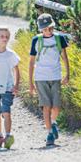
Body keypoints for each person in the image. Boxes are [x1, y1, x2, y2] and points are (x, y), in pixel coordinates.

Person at [28, 13, 70, 146]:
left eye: (50, 28)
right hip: (41, 77)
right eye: (45, 29)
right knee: (46, 106)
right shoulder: (36, 40)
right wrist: (30, 83)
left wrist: (67, 74)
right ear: (41, 29)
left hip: (56, 76)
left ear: (53, 26)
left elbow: (65, 57)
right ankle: (49, 134)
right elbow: (31, 62)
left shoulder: (59, 39)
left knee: (56, 107)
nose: (48, 31)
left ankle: (53, 122)